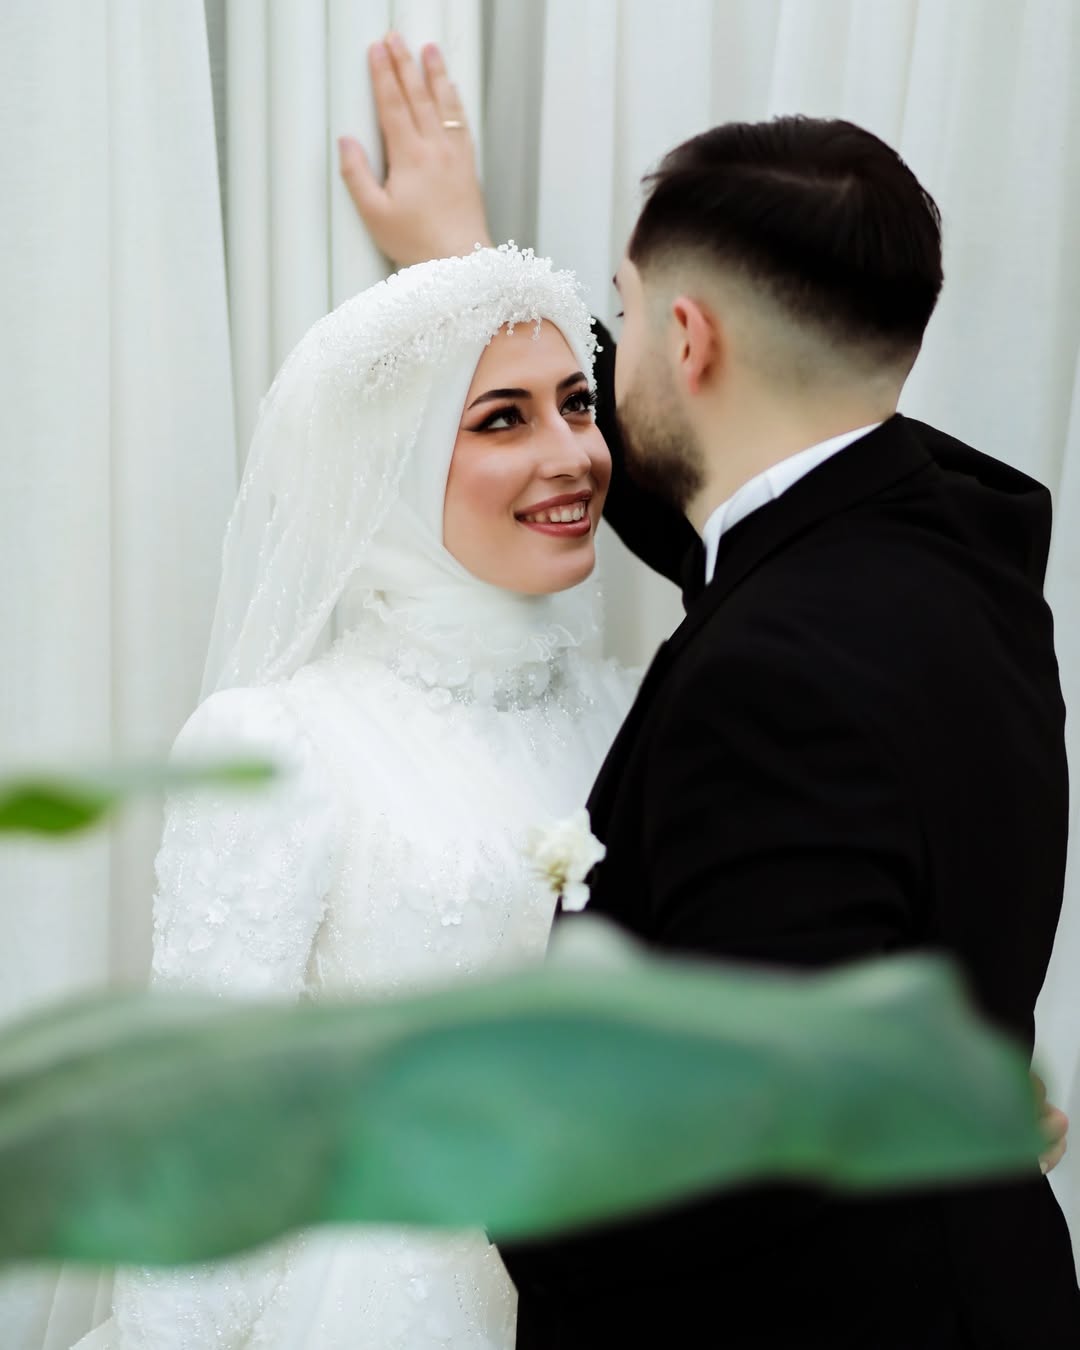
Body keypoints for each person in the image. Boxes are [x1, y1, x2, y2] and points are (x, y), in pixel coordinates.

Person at [341, 36, 1080, 1350]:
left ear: (687, 338)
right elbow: (737, 512)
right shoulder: (966, 554)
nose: (597, 390)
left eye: (619, 320)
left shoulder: (774, 681)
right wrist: (468, 269)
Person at [71, 245, 637, 1350]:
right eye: (503, 420)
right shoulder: (283, 747)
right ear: (396, 462)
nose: (573, 453)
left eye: (578, 403)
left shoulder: (629, 715)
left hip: (605, 1291)